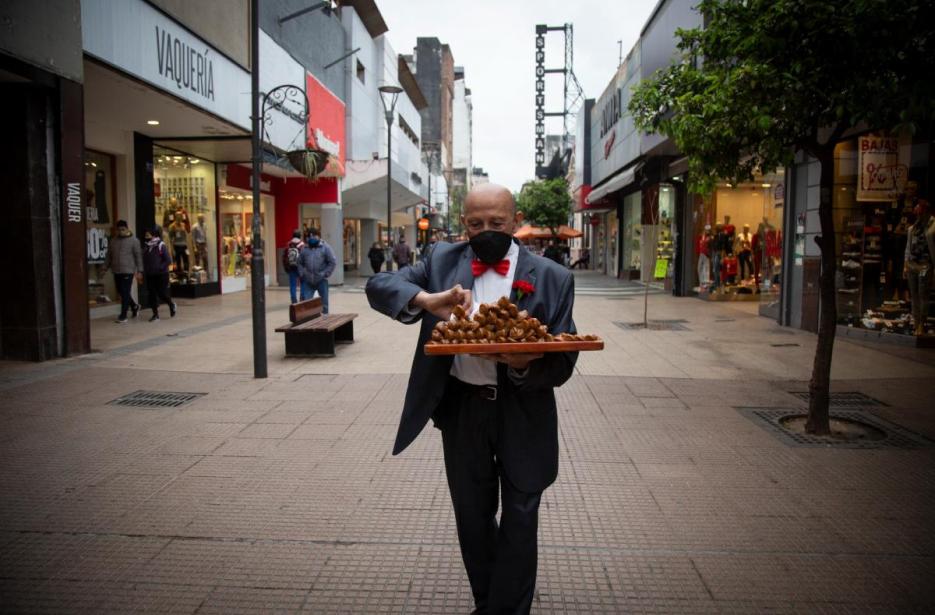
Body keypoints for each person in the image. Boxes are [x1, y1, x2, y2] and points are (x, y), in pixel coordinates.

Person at [366, 183, 578, 614]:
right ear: (464, 224)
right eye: (476, 223)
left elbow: (563, 363)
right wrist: (426, 300)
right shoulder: (442, 261)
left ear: (514, 221)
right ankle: (489, 602)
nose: (486, 230)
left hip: (523, 410)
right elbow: (379, 284)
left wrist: (521, 361)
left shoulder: (554, 278)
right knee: (473, 517)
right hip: (463, 409)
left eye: (497, 223)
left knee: (521, 515)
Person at [904, 198, 935, 335]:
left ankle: (922, 323)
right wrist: (905, 265)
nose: (918, 216)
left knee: (923, 295)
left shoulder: (933, 226)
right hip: (912, 264)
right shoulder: (913, 228)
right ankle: (916, 323)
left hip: (925, 265)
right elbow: (908, 247)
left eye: (920, 213)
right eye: (917, 213)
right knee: (914, 295)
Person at [104, 220, 143, 323]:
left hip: (128, 270)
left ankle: (123, 315)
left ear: (127, 229)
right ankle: (134, 306)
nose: (121, 231)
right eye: (119, 229)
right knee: (121, 292)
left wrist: (140, 271)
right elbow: (109, 256)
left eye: (123, 229)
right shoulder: (113, 241)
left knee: (125, 292)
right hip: (116, 270)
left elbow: (138, 256)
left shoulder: (134, 241)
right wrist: (104, 268)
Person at [297, 227, 336, 314]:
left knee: (324, 305)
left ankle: (325, 321)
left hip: (321, 280)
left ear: (318, 236)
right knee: (307, 304)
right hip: (308, 281)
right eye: (309, 236)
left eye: (314, 236)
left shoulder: (325, 247)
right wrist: (302, 273)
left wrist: (326, 273)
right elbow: (299, 262)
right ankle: (308, 322)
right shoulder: (305, 249)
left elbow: (332, 262)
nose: (311, 238)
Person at [142, 226, 176, 321]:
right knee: (152, 294)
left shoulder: (161, 245)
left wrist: (159, 268)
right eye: (146, 232)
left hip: (161, 274)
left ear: (154, 233)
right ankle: (155, 315)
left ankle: (171, 304)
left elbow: (168, 260)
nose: (146, 234)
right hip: (150, 274)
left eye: (148, 232)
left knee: (161, 293)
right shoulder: (146, 246)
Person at [282, 230, 306, 304]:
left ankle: (293, 299)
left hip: (291, 267)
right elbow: (305, 256)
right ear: (300, 236)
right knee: (303, 282)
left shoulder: (288, 244)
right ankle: (302, 297)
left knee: (293, 284)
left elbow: (284, 256)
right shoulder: (302, 244)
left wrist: (286, 266)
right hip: (300, 267)